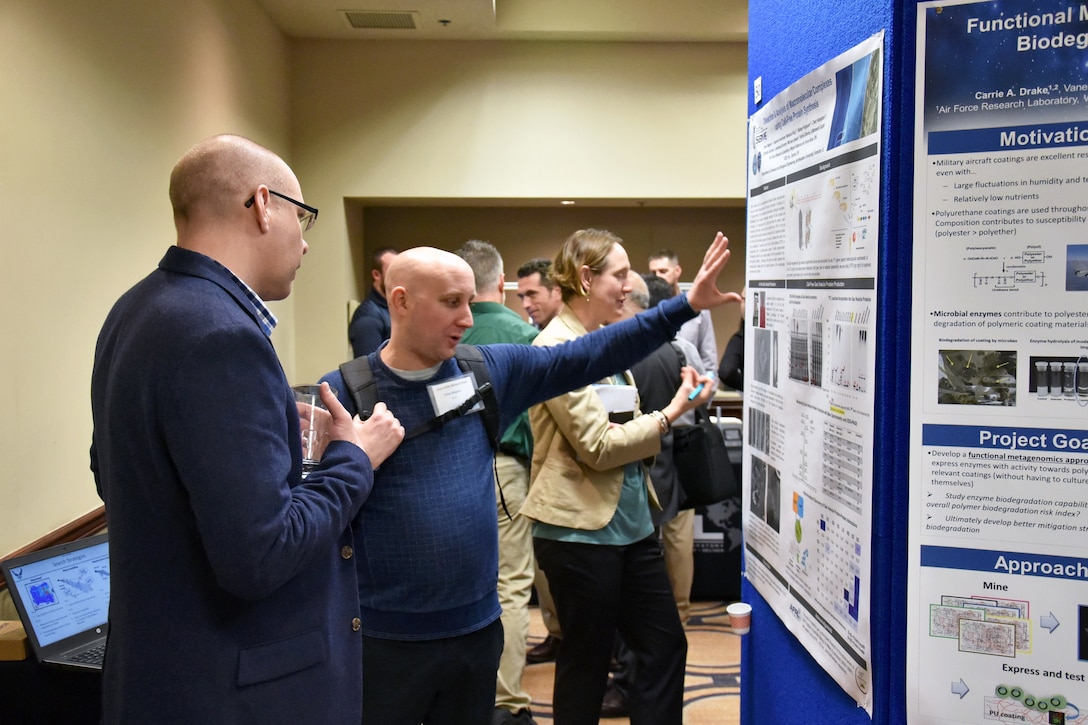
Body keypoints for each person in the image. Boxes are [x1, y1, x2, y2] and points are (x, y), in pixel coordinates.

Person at [320, 234, 738, 725]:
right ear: (401, 301)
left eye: (468, 301)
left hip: (475, 633)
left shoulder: (486, 373)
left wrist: (682, 306)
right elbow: (309, 521)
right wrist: (354, 460)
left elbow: (591, 354)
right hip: (385, 641)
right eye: (452, 303)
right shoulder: (342, 395)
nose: (468, 319)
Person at [89, 134, 404, 724]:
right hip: (231, 690)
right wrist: (353, 458)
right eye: (302, 216)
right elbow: (262, 555)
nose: (306, 242)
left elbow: (118, 470)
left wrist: (268, 422)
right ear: (263, 204)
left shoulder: (138, 310)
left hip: (161, 673)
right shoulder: (222, 336)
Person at [522, 229, 718, 725]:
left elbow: (619, 427)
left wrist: (637, 427)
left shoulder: (604, 343)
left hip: (630, 525)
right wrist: (670, 413)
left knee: (664, 645)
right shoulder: (555, 347)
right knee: (587, 662)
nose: (629, 285)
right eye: (619, 274)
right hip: (577, 532)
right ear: (586, 279)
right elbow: (598, 445)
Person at [454, 240, 540, 725]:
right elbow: (535, 422)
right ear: (501, 283)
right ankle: (504, 702)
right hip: (506, 470)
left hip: (446, 472)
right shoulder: (523, 335)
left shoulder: (435, 330)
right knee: (510, 584)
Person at [648, 248, 719, 372]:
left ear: (677, 271)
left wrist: (707, 389)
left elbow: (709, 357)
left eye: (663, 271)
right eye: (653, 273)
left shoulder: (698, 308)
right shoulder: (648, 310)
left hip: (694, 384)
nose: (658, 276)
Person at [348, 246, 398, 357]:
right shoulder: (368, 318)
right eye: (392, 271)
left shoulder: (395, 309)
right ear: (376, 275)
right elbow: (366, 370)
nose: (399, 277)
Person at [516, 257, 564, 328]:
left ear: (557, 291)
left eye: (532, 294)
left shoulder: (580, 334)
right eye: (522, 297)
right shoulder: (529, 337)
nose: (525, 305)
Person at [718, 287, 746, 391]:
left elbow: (726, 372)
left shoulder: (742, 338)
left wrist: (750, 388)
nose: (741, 303)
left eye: (743, 299)